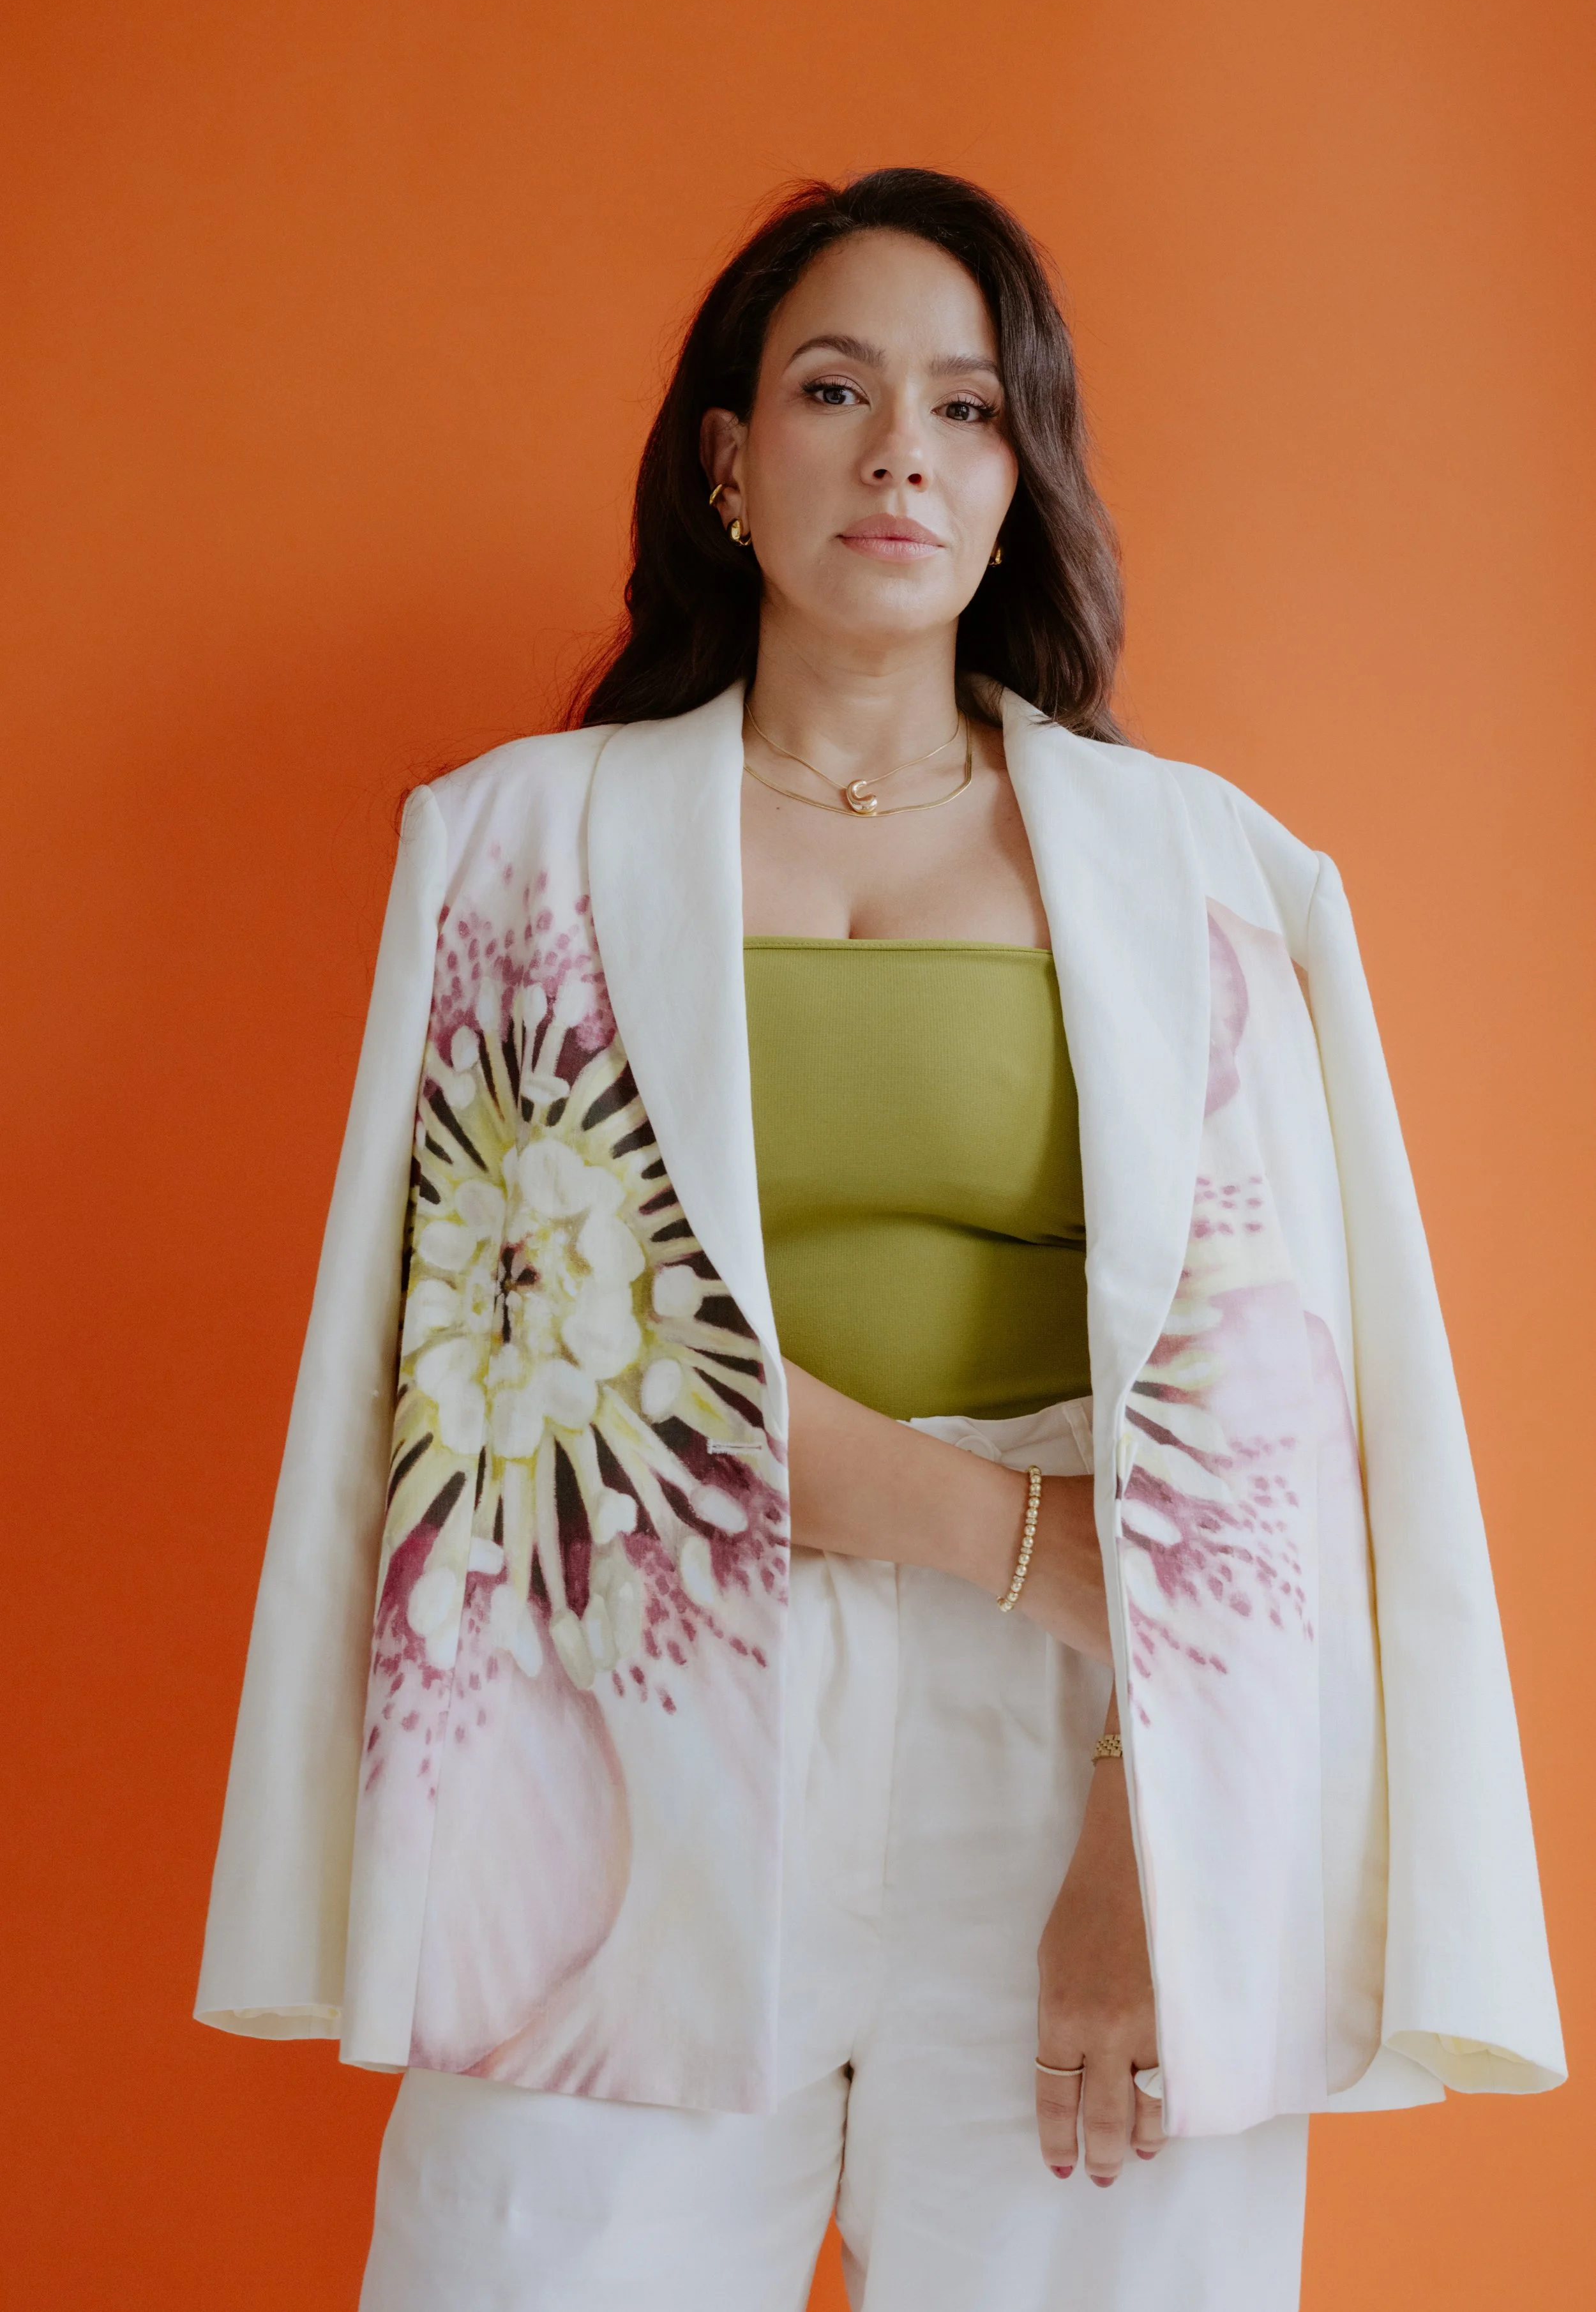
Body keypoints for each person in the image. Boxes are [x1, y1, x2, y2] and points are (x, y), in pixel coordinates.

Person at [196, 169, 1562, 2312]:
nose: (902, 448)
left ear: (1019, 483)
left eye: (967, 405)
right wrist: (1009, 1534)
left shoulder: (1201, 872)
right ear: (732, 462)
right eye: (834, 390)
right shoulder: (512, 849)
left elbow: (1251, 1409)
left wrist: (1143, 1830)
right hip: (609, 1721)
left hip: (1092, 1747)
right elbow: (527, 1368)